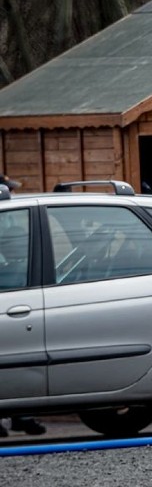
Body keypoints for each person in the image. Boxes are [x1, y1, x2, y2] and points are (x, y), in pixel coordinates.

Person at [0, 172, 46, 437]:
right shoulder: (9, 224)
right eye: (7, 190)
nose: (12, 194)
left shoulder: (14, 225)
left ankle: (22, 415)